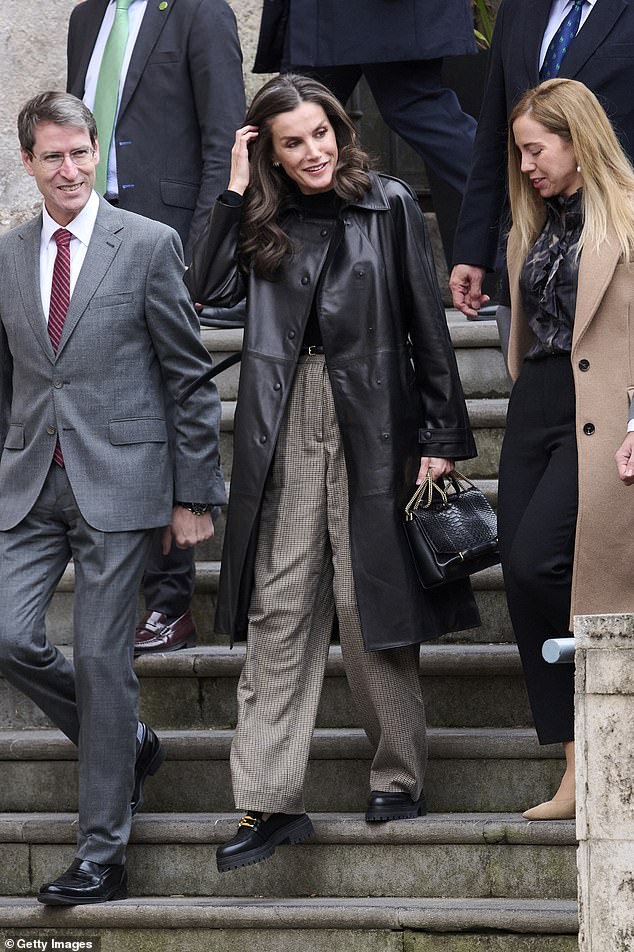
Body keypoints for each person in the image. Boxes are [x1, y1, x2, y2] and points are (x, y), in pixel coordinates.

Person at [185, 73, 480, 871]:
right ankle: (268, 798)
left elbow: (428, 324)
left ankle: (398, 775)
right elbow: (200, 294)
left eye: (321, 133)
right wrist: (234, 190)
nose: (313, 152)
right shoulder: (257, 214)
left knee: (367, 598)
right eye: (293, 143)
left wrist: (444, 431)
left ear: (339, 130)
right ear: (270, 153)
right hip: (283, 417)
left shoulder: (384, 202)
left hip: (376, 418)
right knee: (280, 606)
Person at [0, 91, 225, 903]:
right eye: (52, 156)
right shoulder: (8, 254)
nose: (69, 169)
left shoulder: (149, 244)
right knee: (7, 633)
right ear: (27, 161)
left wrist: (194, 492)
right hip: (29, 484)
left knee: (101, 658)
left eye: (81, 152)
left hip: (124, 483)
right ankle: (125, 740)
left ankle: (102, 852)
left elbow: (189, 378)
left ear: (97, 153)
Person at [67, 0, 245, 654]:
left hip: (166, 244)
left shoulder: (201, 13)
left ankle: (170, 601)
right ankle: (126, 588)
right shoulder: (87, 18)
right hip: (92, 240)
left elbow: (226, 137)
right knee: (109, 406)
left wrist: (199, 260)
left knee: (162, 409)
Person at [499, 77, 634, 820]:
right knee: (522, 581)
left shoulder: (630, 215)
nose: (525, 166)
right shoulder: (538, 223)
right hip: (535, 409)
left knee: (541, 561)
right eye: (519, 152)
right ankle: (577, 768)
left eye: (535, 150)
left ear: (578, 142)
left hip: (603, 414)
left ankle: (613, 740)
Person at [450, 0, 634, 337]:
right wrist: (473, 251)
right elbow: (494, 134)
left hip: (615, 256)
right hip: (530, 253)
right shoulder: (519, 9)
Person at [253, 0, 478, 265]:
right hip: (325, 15)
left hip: (381, 13)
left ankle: (519, 201)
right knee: (289, 118)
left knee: (414, 106)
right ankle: (272, 263)